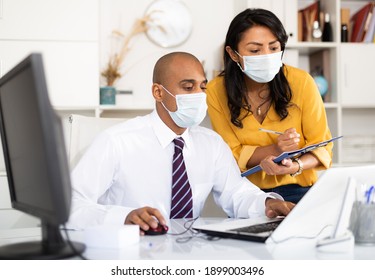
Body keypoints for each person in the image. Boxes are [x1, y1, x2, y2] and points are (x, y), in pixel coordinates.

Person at [68, 51, 294, 234]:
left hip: (190, 252)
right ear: (158, 92)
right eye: (188, 87)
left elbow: (237, 193)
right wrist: (123, 218)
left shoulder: (211, 144)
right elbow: (72, 205)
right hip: (132, 252)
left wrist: (267, 204)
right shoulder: (116, 141)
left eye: (202, 87)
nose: (198, 94)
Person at [206, 9, 333, 204]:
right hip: (246, 195)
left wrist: (294, 165)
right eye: (255, 50)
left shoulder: (302, 82)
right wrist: (275, 148)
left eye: (273, 48)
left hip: (300, 191)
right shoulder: (216, 90)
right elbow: (230, 153)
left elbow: (323, 148)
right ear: (233, 53)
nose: (266, 56)